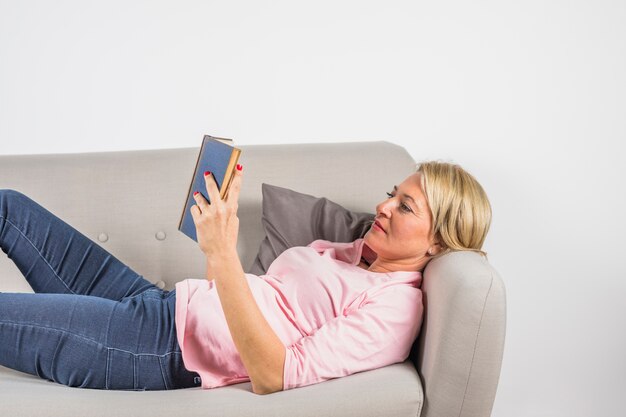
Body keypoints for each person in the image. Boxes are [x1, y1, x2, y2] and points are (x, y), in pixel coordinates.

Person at [0, 160, 491, 394]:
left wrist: (223, 253)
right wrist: (221, 231)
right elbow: (238, 296)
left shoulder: (395, 309)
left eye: (404, 206)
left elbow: (275, 375)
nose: (383, 206)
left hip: (156, 349)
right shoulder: (353, 253)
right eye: (392, 193)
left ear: (438, 242)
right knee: (10, 208)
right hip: (161, 304)